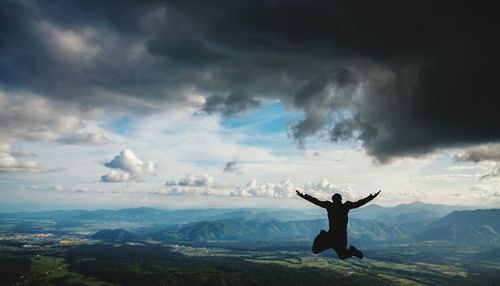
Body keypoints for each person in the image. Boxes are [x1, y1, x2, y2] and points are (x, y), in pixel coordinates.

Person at [296, 190, 381, 259]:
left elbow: (316, 201)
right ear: (340, 200)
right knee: (342, 256)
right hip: (339, 236)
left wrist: (304, 196)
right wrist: (371, 197)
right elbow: (359, 203)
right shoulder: (345, 206)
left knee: (318, 250)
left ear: (333, 200)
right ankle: (350, 250)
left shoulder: (330, 206)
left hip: (333, 236)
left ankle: (324, 235)